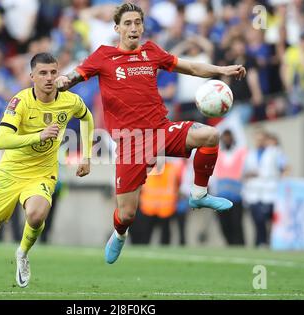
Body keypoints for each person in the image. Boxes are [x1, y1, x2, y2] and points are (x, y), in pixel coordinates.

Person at [55, 3, 246, 264]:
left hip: (161, 130)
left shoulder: (151, 52)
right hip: (130, 141)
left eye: (137, 23)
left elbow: (189, 67)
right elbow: (78, 73)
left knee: (210, 135)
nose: (133, 28)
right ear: (117, 28)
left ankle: (199, 194)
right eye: (128, 23)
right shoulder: (103, 56)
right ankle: (119, 234)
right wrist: (65, 80)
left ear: (142, 27)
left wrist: (221, 71)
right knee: (127, 215)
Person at [0, 52, 94, 297]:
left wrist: (87, 155)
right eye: (43, 73)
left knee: (37, 215)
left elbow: (87, 117)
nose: (49, 78)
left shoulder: (69, 101)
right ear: (32, 77)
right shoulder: (20, 101)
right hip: (10, 173)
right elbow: (2, 139)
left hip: (42, 172)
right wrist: (38, 136)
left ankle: (22, 253)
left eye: (53, 72)